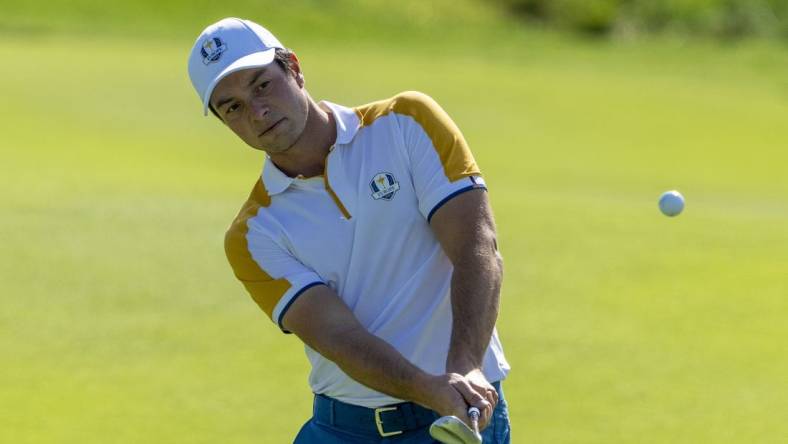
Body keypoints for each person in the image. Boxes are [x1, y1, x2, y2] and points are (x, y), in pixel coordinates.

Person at [187, 17, 511, 443]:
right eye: (232, 107)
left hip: (463, 417)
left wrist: (465, 367)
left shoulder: (407, 122)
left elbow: (476, 246)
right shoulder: (251, 236)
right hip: (344, 430)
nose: (257, 111)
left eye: (262, 85)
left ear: (295, 69)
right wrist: (430, 388)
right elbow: (339, 336)